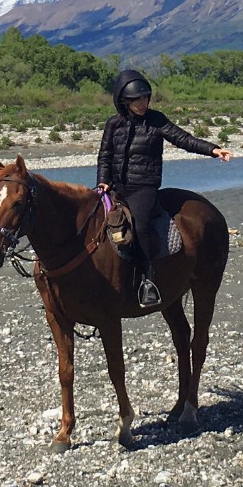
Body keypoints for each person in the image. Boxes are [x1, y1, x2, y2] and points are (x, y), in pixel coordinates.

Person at [95, 68, 232, 308]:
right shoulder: (113, 124)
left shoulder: (156, 121)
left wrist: (212, 149)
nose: (142, 103)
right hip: (116, 187)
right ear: (124, 102)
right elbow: (105, 155)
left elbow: (183, 139)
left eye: (145, 98)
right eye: (136, 99)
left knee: (141, 226)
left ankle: (148, 280)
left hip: (144, 188)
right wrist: (102, 181)